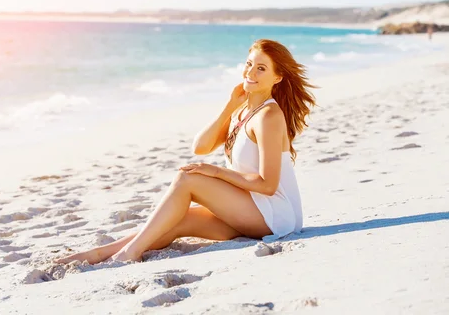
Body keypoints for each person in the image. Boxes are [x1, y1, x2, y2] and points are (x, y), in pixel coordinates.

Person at [56, 39, 316, 264]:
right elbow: (200, 147)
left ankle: (129, 253)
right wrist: (229, 107)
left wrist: (215, 172)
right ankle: (100, 254)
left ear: (278, 77)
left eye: (261, 68)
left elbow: (268, 185)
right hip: (253, 207)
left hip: (276, 216)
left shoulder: (269, 115)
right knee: (177, 220)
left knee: (187, 179)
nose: (251, 72)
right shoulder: (244, 112)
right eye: (249, 64)